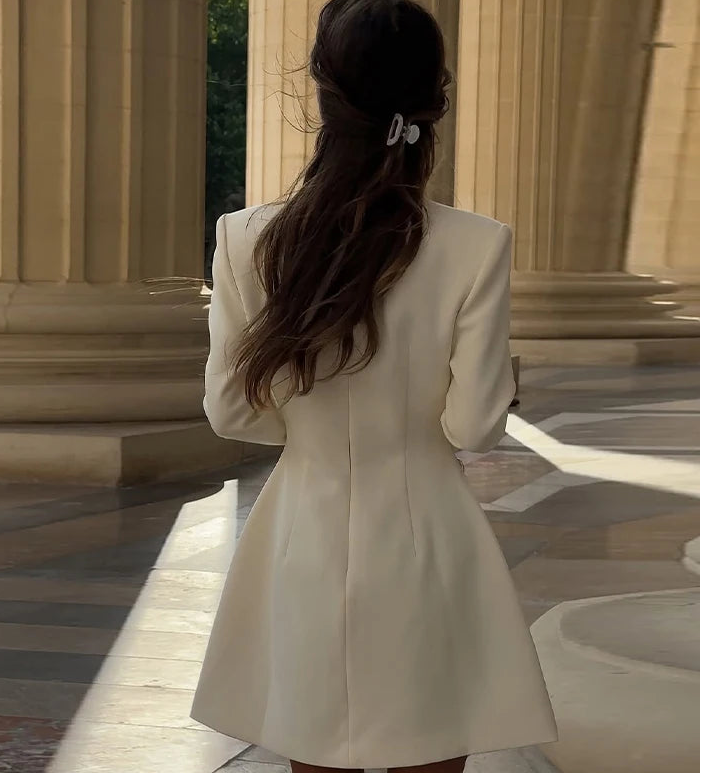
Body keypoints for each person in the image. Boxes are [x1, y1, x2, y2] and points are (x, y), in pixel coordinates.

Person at [190, 1, 558, 771]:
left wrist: (306, 427)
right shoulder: (475, 245)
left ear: (322, 93)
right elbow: (471, 428)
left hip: (301, 533)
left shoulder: (245, 237)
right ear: (436, 103)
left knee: (312, 741)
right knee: (432, 741)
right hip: (429, 536)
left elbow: (231, 411)